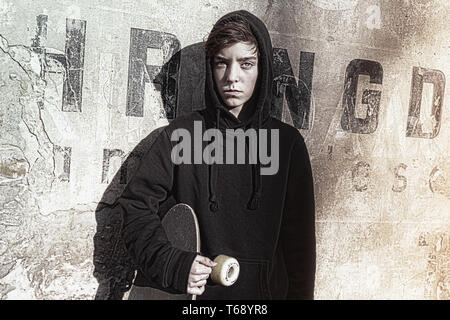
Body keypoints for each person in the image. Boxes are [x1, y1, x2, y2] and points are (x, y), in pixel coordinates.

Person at [116, 10, 316, 299]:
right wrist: (172, 264)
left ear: (263, 69)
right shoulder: (182, 136)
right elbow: (135, 206)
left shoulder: (288, 145)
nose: (232, 77)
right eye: (222, 63)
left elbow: (301, 247)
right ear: (211, 68)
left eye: (246, 64)